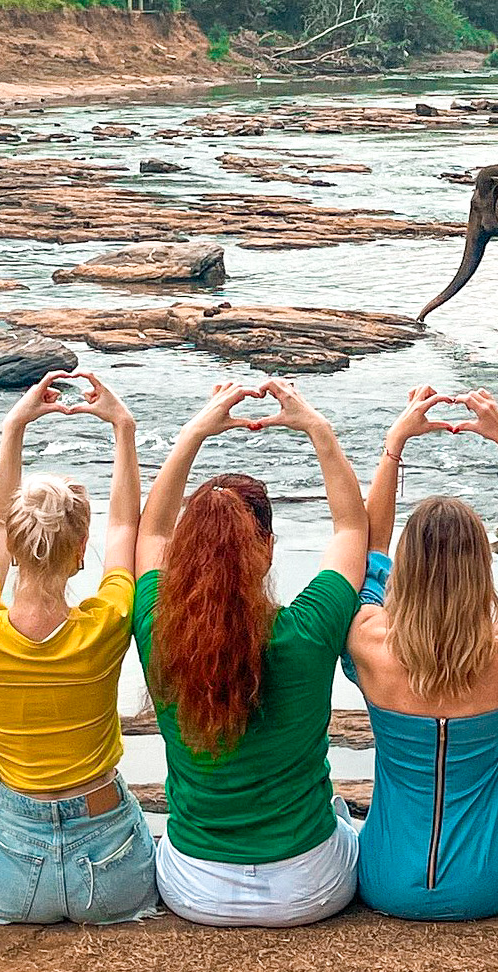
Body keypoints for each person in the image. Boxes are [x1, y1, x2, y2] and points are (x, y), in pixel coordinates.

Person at [132, 379, 368, 927]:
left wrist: (194, 431)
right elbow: (352, 526)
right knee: (349, 823)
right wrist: (318, 430)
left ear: (186, 553)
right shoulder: (307, 628)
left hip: (194, 888)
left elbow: (151, 533)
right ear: (266, 550)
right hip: (310, 887)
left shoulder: (155, 625)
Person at [0, 371, 157, 925]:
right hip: (107, 856)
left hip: (16, 864)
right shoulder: (107, 621)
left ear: (15, 551)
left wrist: (13, 427)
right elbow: (124, 530)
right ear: (80, 553)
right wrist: (123, 428)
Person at [341, 386, 498, 920]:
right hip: (491, 881)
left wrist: (395, 445)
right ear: (482, 570)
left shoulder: (371, 642)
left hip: (386, 878)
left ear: (405, 572)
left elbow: (369, 549)